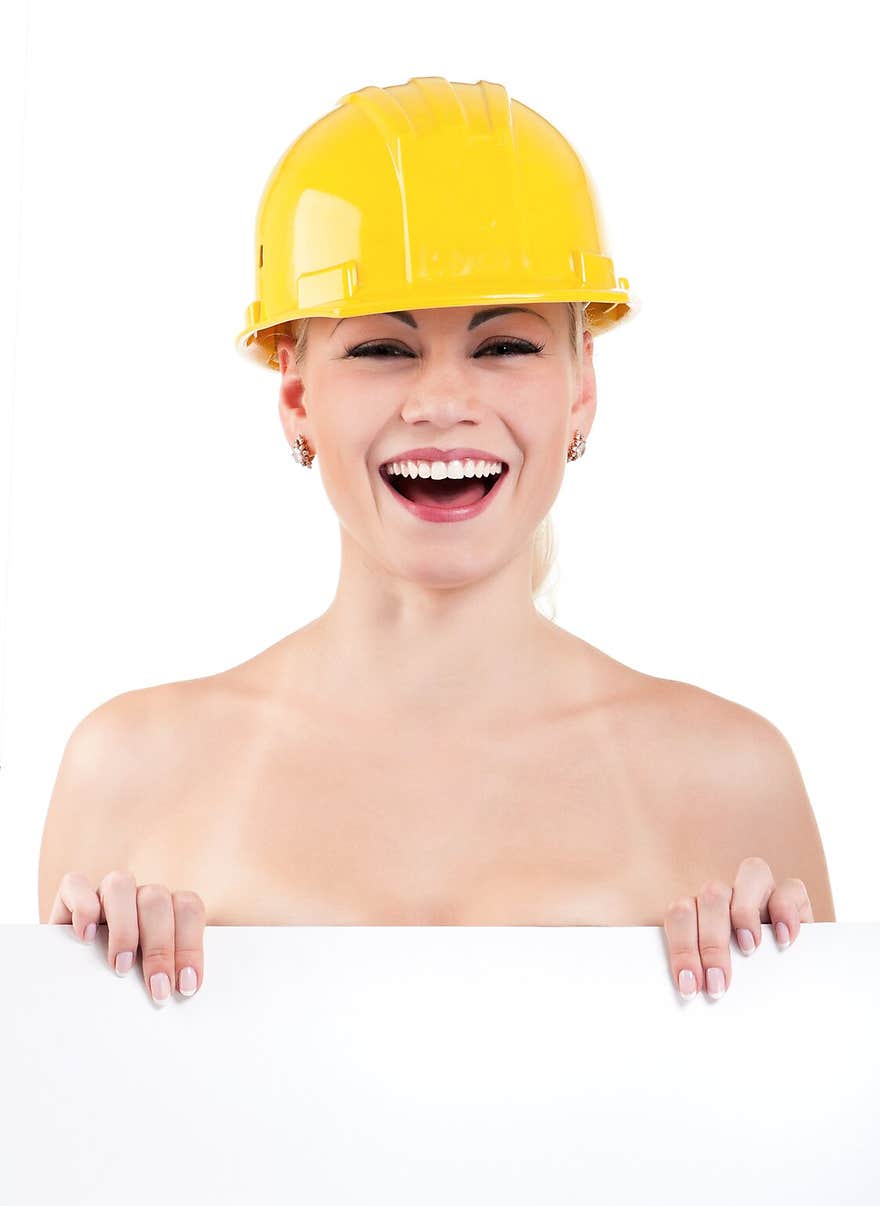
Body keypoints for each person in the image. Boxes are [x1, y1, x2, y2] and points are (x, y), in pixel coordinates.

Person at [37, 77, 835, 1008]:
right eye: (383, 348)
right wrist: (98, 1004)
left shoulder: (736, 783)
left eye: (506, 346)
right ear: (298, 397)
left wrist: (756, 996)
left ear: (581, 387)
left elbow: (798, 1143)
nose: (445, 403)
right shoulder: (127, 771)